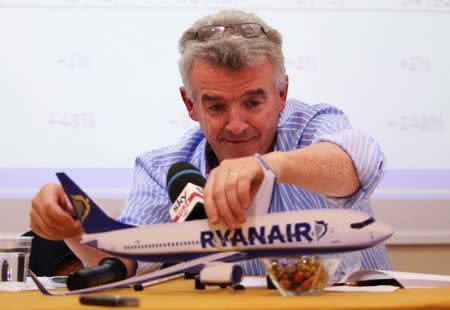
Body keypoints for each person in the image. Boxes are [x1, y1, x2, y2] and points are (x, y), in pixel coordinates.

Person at [30, 10, 391, 278]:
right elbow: (130, 257)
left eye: (253, 102)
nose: (236, 125)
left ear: (281, 94)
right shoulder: (162, 169)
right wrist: (75, 229)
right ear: (190, 105)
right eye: (216, 106)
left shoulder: (313, 126)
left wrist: (268, 165)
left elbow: (355, 166)